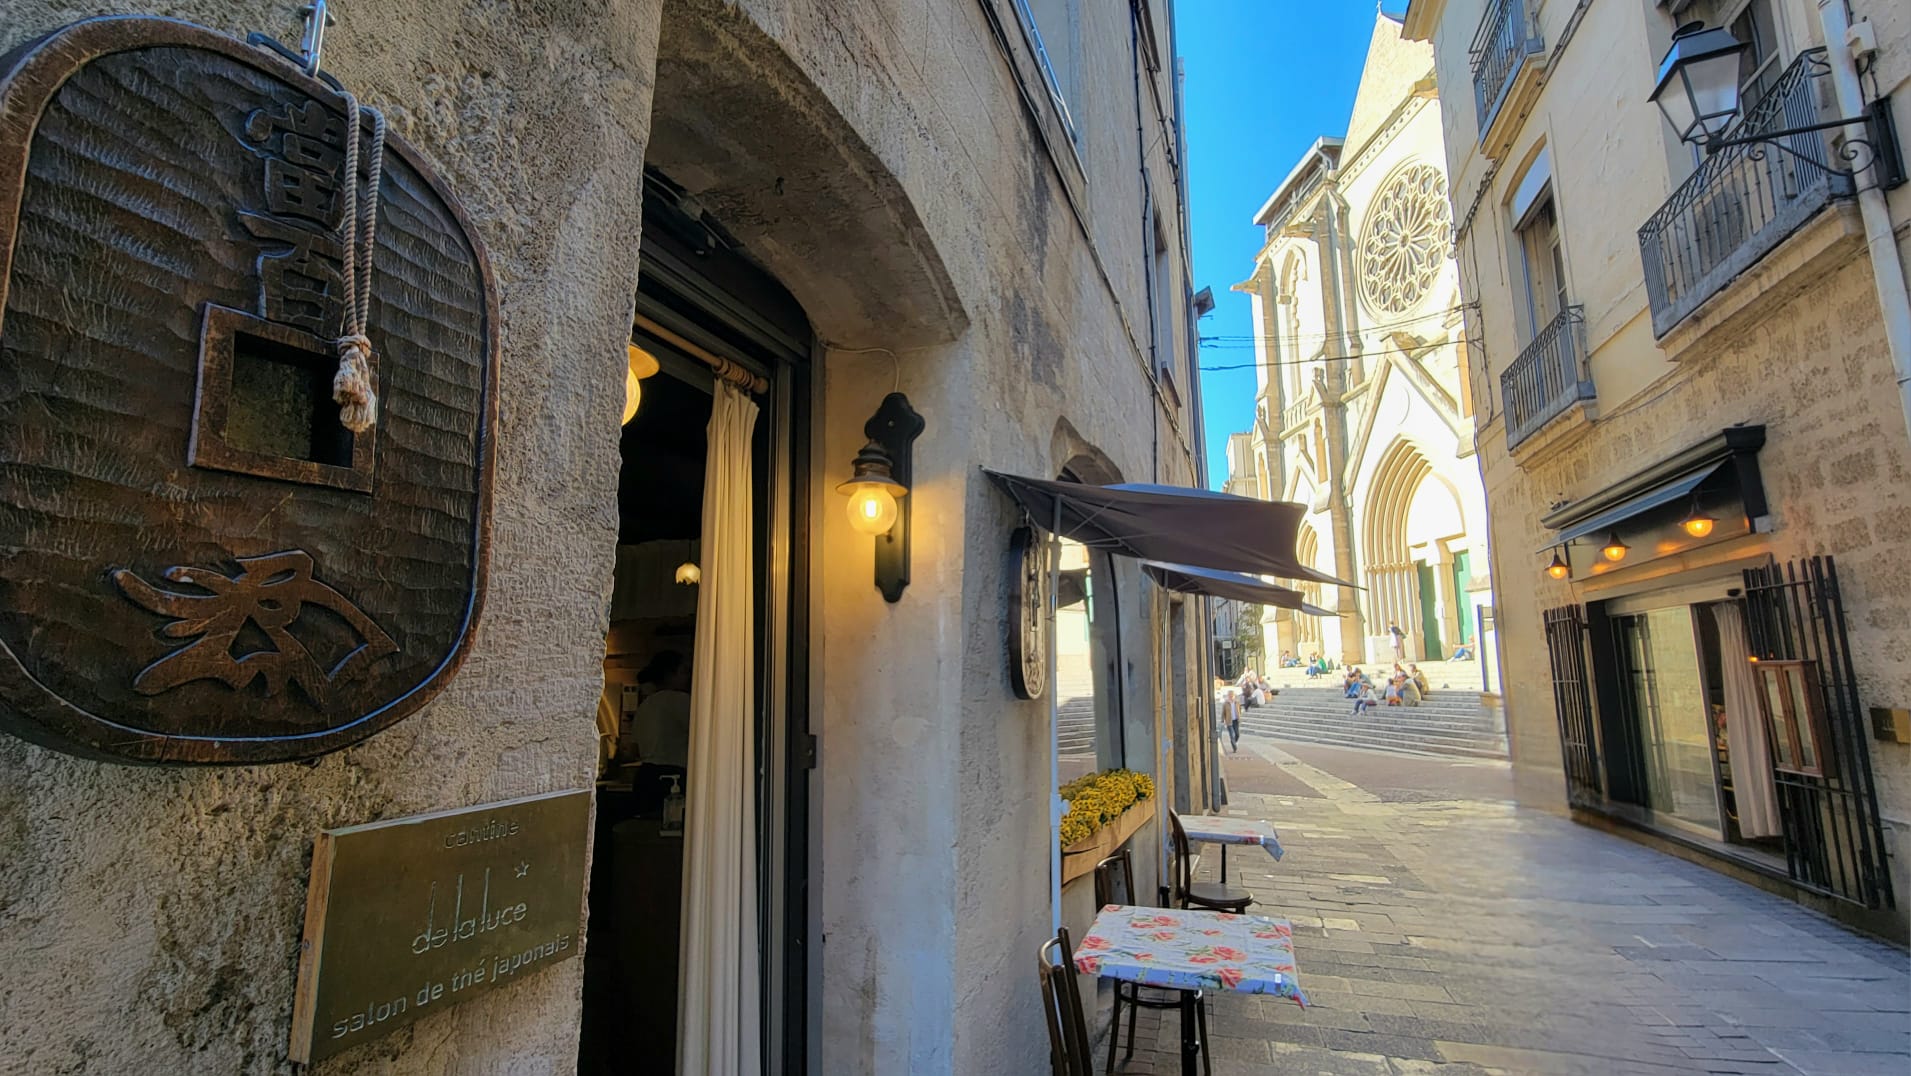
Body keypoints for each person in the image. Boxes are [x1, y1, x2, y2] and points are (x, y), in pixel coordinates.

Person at [630, 650, 692, 816]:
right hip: (673, 776)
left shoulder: (645, 704)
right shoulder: (680, 701)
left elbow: (633, 747)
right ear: (670, 674)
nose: (688, 677)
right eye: (684, 671)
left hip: (645, 777)